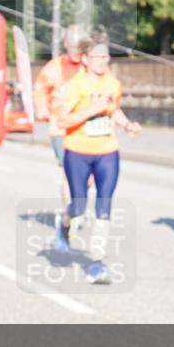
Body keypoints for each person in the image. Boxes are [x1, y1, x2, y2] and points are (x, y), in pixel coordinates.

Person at [55, 38, 141, 284]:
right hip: (78, 151)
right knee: (79, 207)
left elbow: (114, 111)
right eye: (96, 57)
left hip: (107, 151)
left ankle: (97, 262)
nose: (102, 61)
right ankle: (65, 222)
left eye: (105, 56)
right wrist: (91, 110)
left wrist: (127, 125)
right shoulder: (74, 86)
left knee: (104, 205)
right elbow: (62, 121)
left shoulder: (113, 84)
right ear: (85, 59)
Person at [34, 25, 87, 233]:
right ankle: (73, 212)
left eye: (79, 46)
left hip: (85, 130)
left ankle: (77, 205)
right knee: (69, 172)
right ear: (65, 44)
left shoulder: (89, 66)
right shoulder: (53, 67)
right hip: (60, 129)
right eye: (72, 45)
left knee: (86, 176)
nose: (75, 49)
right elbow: (40, 90)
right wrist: (42, 109)